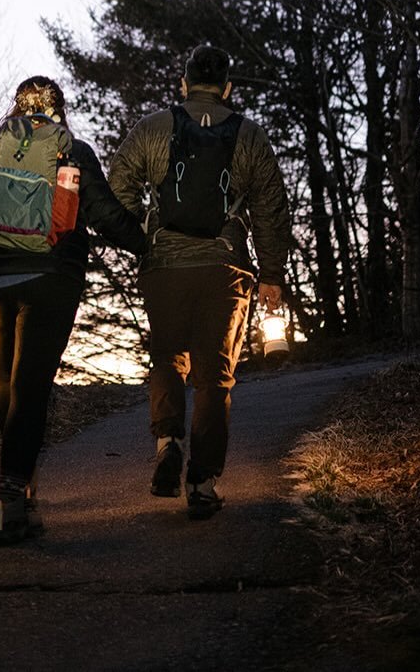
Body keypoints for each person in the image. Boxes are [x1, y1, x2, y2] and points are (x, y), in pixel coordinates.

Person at [0, 75, 145, 545]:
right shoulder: (72, 150)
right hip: (51, 277)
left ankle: (22, 489)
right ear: (60, 109)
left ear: (16, 106)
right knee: (31, 385)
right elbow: (106, 215)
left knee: (7, 382)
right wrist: (149, 245)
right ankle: (12, 493)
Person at [108, 43, 291, 520]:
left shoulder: (152, 127)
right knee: (215, 376)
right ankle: (203, 483)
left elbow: (118, 185)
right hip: (225, 267)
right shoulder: (249, 135)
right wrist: (271, 274)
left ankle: (168, 441)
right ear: (227, 89)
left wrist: (141, 237)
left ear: (184, 84)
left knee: (168, 355)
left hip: (164, 266)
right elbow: (272, 206)